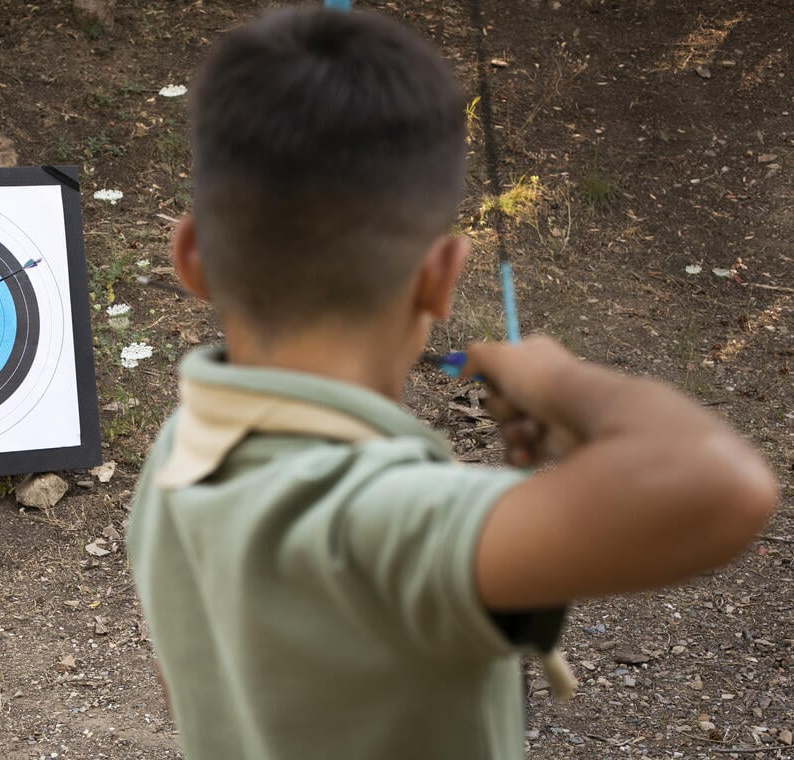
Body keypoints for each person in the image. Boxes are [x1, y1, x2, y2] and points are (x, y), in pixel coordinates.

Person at [125, 6, 777, 759]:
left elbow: (197, 684)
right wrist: (562, 380)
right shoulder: (383, 518)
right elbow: (723, 487)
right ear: (440, 278)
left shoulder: (178, 452)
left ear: (191, 257)